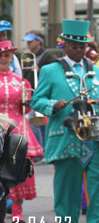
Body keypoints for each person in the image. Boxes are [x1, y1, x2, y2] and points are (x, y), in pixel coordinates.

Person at [30, 19, 99, 223]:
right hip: (66, 136)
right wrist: (53, 105)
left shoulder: (95, 71)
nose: (80, 50)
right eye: (75, 46)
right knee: (66, 188)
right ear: (65, 46)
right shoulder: (50, 70)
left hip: (95, 137)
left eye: (82, 46)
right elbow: (36, 100)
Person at [0, 40, 43, 223]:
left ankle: (17, 211)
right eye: (1, 55)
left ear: (12, 58)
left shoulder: (21, 81)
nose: (4, 58)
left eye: (7, 55)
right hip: (0, 126)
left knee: (18, 168)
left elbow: (25, 111)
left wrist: (27, 101)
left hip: (18, 127)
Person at [21, 30, 56, 158]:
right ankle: (43, 151)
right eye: (27, 41)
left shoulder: (49, 57)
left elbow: (54, 74)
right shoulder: (28, 57)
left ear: (39, 42)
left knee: (39, 124)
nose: (28, 43)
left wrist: (40, 70)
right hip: (32, 94)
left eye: (31, 41)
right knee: (38, 124)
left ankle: (42, 151)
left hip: (45, 95)